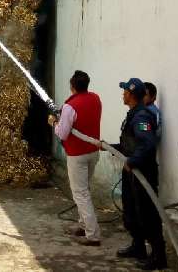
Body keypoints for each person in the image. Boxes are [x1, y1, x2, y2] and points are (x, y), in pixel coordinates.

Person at [114, 78, 167, 270]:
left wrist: (132, 161)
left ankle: (159, 255)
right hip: (132, 172)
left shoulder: (142, 117)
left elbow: (147, 144)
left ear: (131, 95)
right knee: (131, 210)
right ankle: (138, 246)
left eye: (125, 91)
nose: (122, 94)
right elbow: (131, 143)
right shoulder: (133, 115)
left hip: (142, 172)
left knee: (147, 214)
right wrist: (109, 147)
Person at [49, 70, 103, 246]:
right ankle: (83, 225)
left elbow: (63, 134)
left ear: (72, 86)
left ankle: (92, 234)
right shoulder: (95, 98)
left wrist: (54, 123)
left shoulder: (70, 106)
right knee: (85, 190)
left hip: (77, 154)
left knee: (80, 193)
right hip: (93, 151)